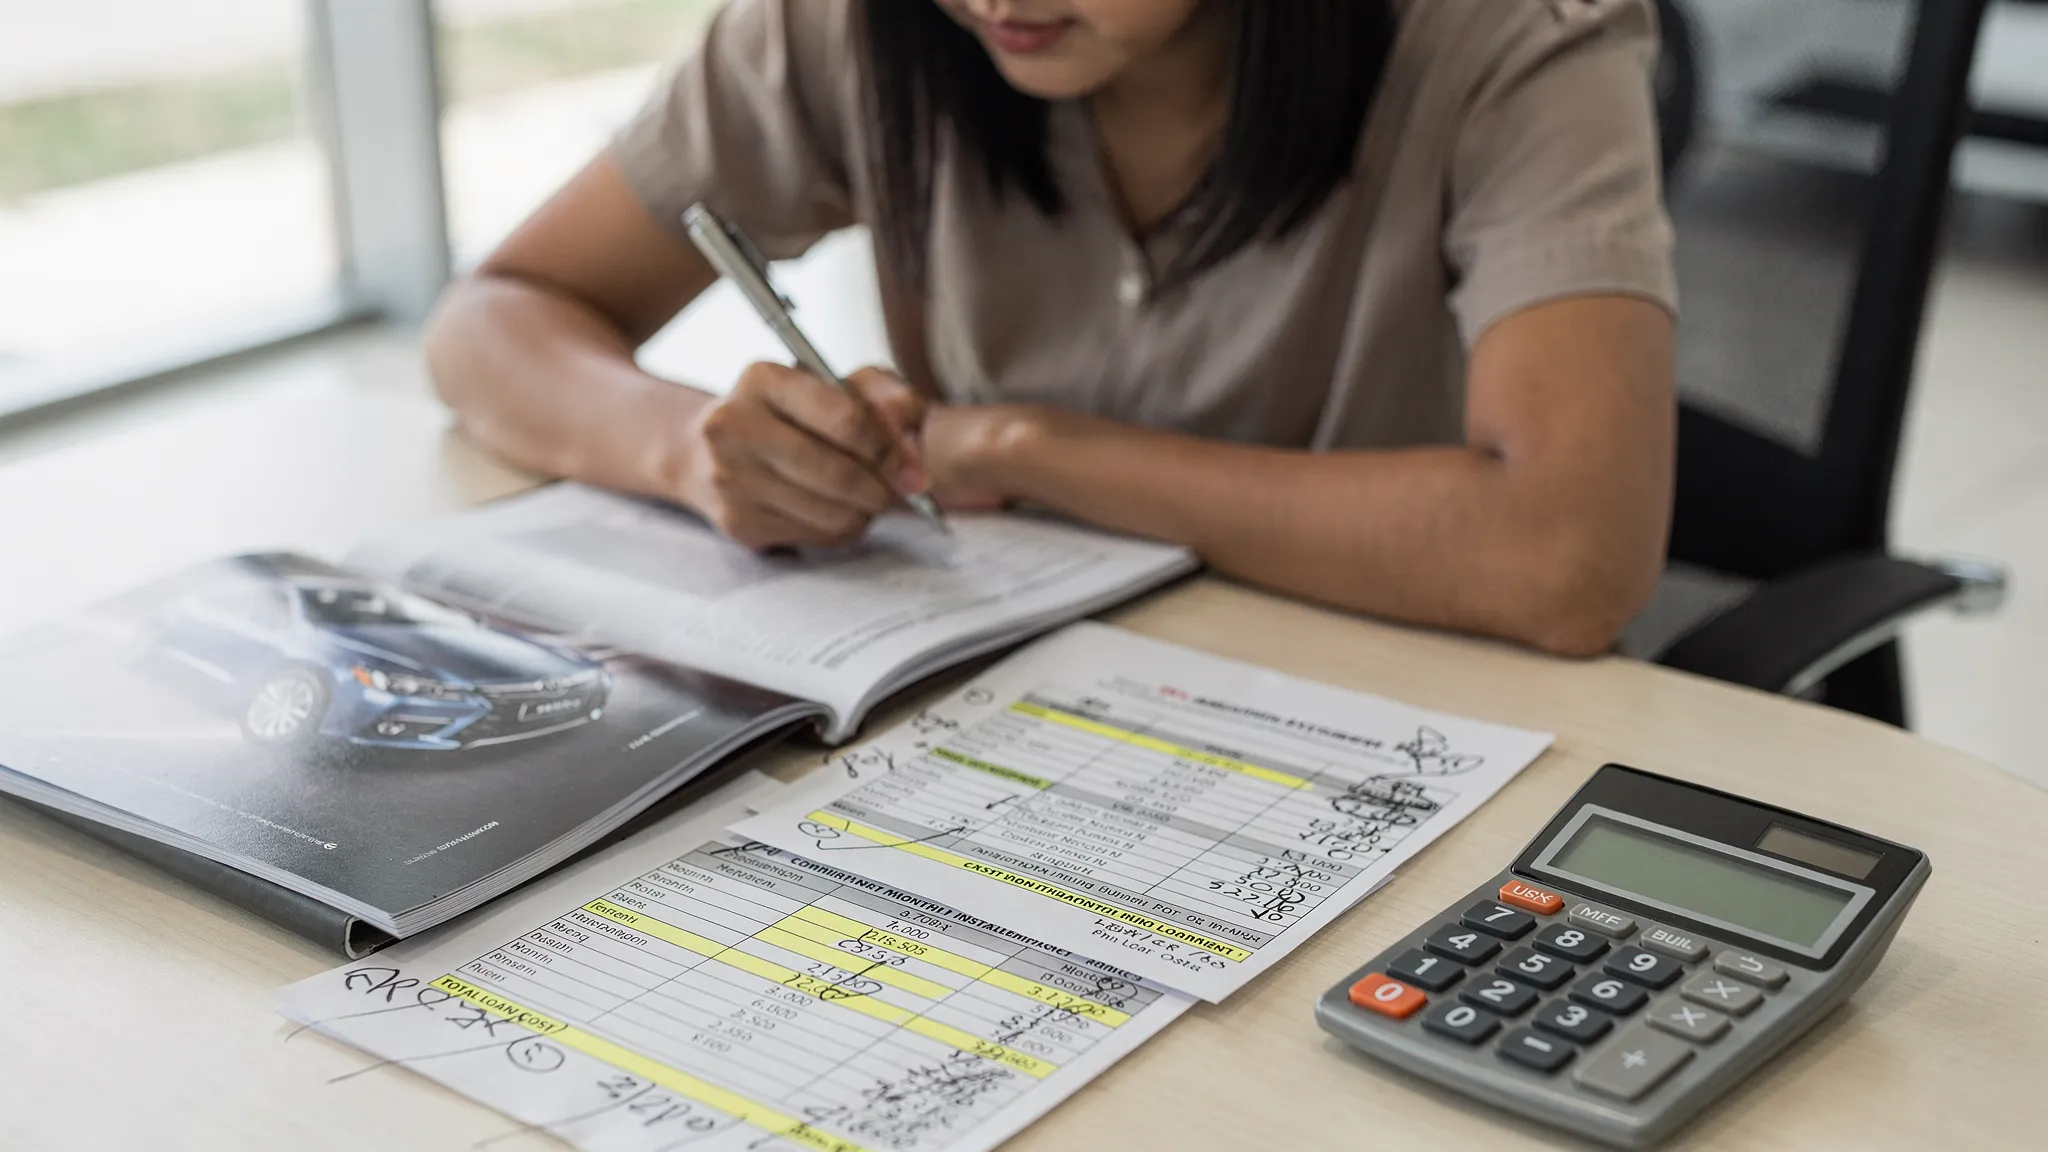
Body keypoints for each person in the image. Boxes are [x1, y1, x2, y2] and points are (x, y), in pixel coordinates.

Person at [424, 0, 1679, 657]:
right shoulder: (855, 26)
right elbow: (492, 320)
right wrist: (688, 448)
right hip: (1000, 705)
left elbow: (1566, 563)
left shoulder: (1516, 40)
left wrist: (1027, 450)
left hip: (1400, 698)